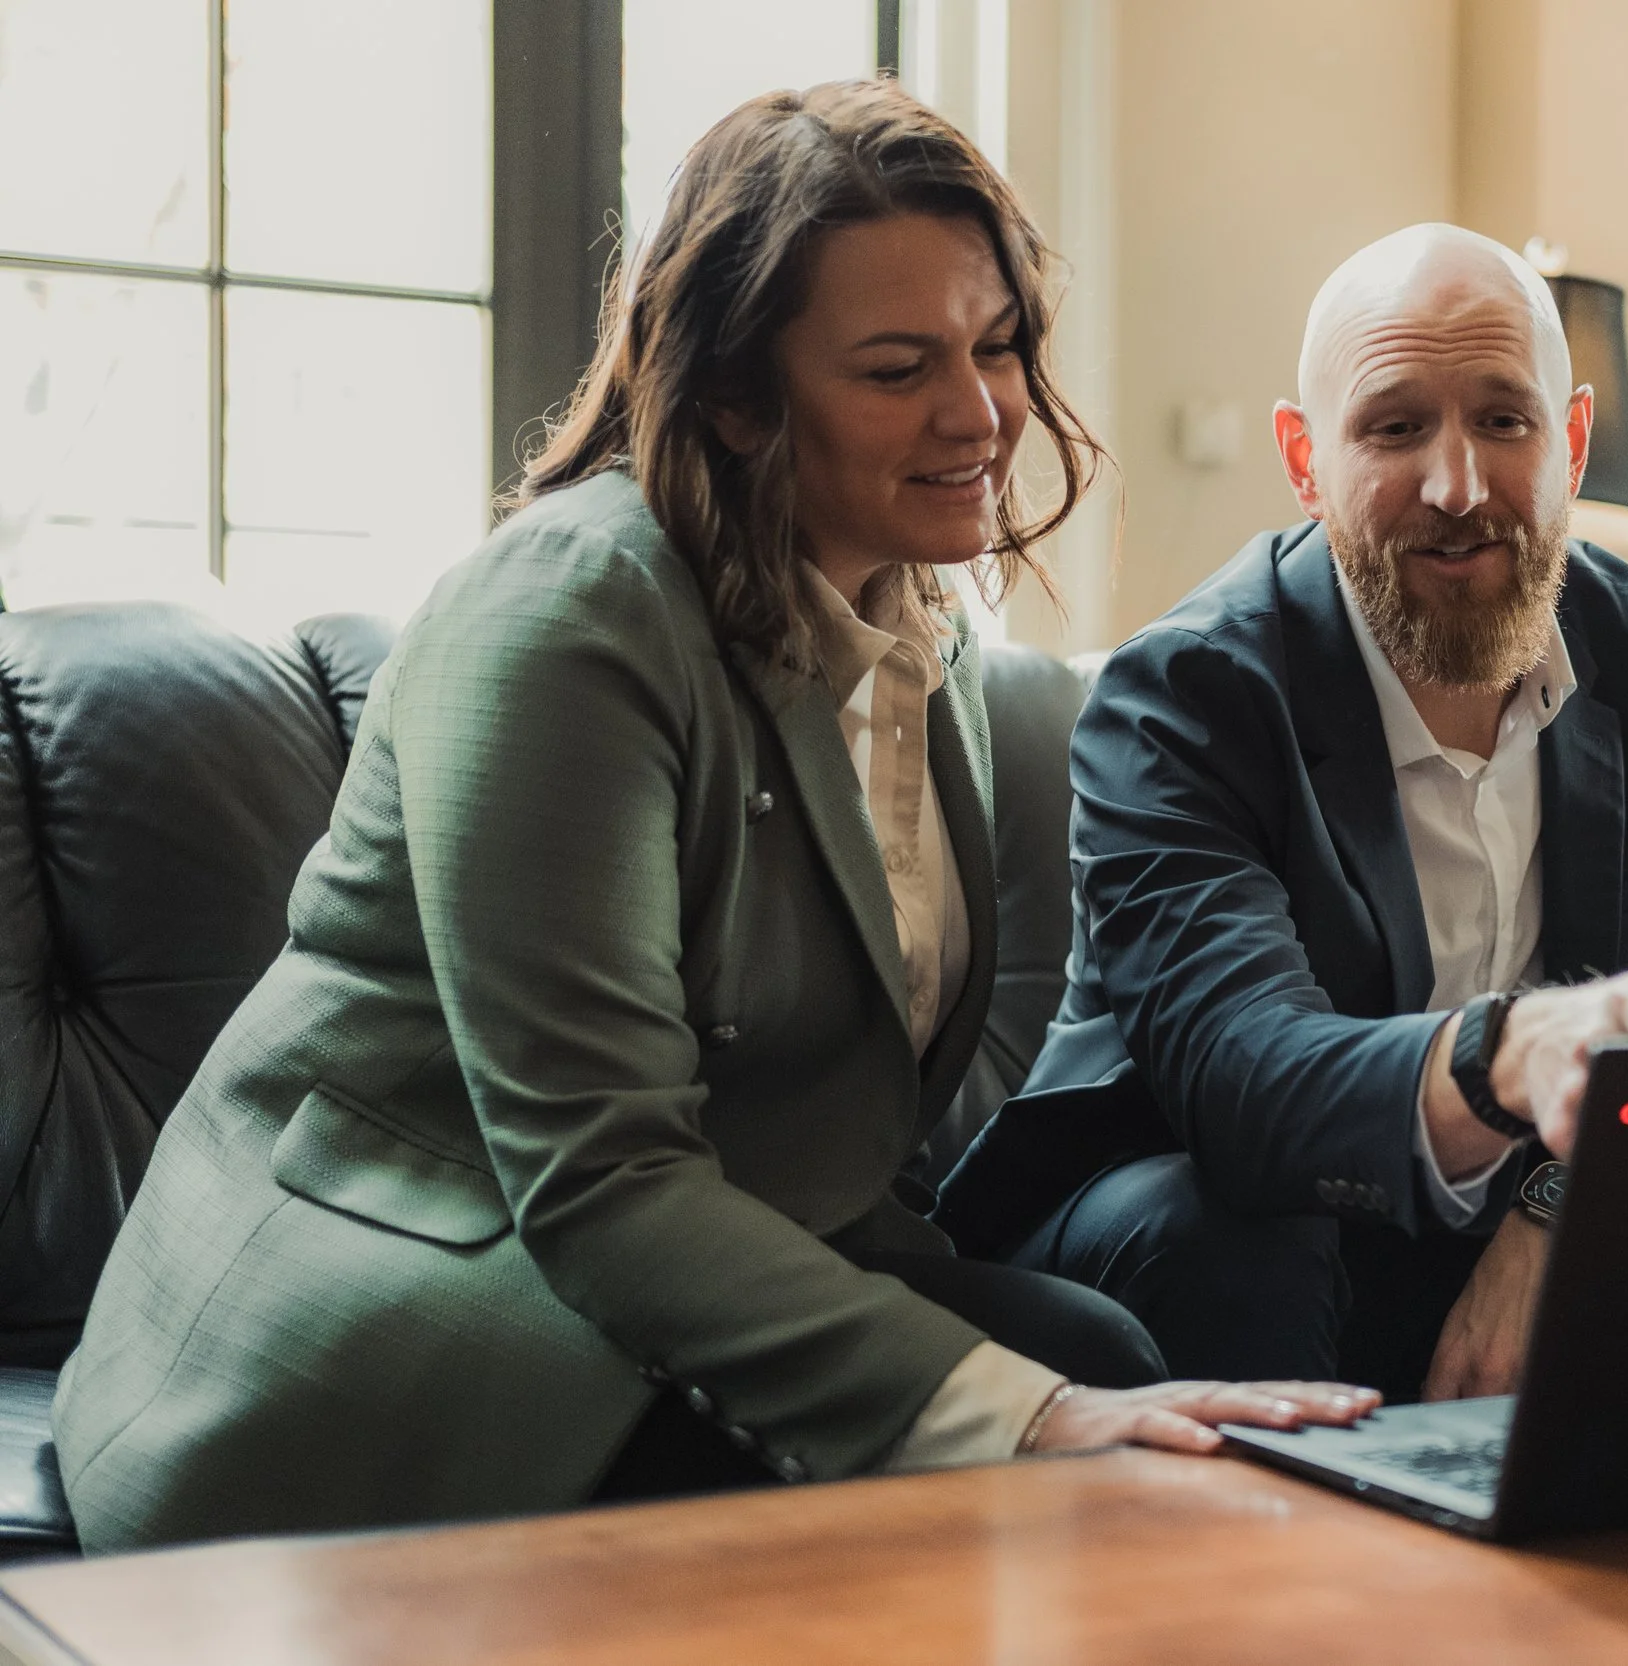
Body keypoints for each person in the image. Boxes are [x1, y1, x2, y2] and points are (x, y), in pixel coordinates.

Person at [51, 81, 1372, 1554]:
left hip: (672, 1294)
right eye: (896, 368)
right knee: (1045, 1439)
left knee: (1110, 1361)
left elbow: (844, 1138)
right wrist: (1029, 1414)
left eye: (997, 346)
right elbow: (603, 1178)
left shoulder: (911, 628)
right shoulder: (565, 616)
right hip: (415, 1327)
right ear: (737, 395)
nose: (982, 411)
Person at [938, 224, 1628, 1403]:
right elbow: (1246, 1080)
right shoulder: (1186, 692)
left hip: (1499, 1212)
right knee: (1236, 1233)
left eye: (1505, 420)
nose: (1457, 488)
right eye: (1395, 427)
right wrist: (1510, 1057)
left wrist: (1558, 1209)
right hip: (1199, 1220)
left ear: (1575, 441)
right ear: (1304, 459)